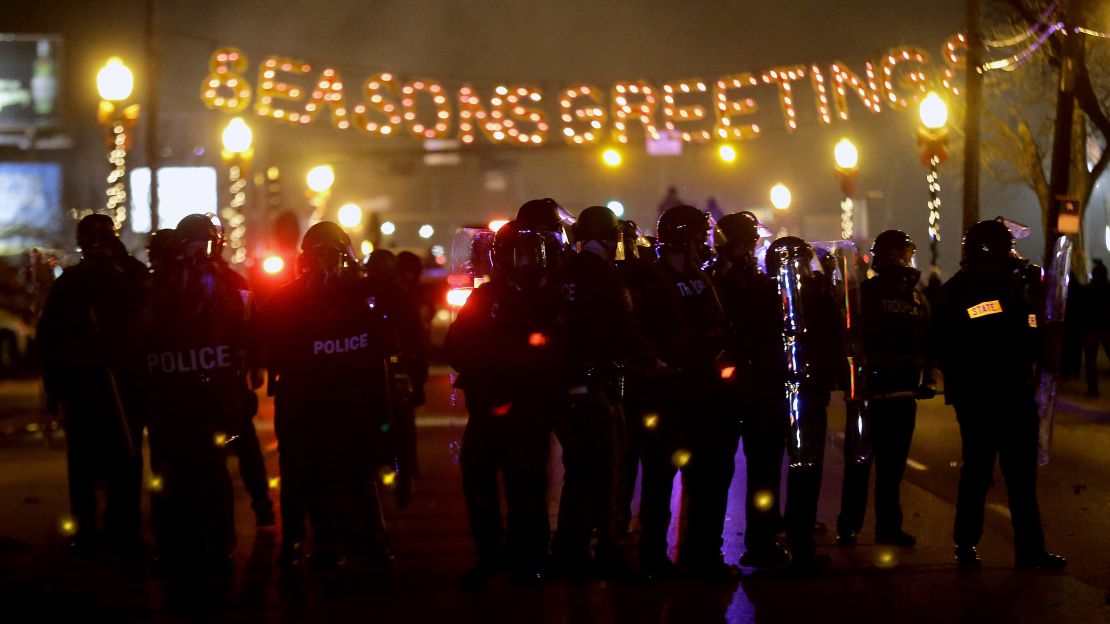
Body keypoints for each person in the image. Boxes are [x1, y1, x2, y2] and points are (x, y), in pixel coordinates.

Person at [263, 222, 398, 569]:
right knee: (299, 476)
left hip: (351, 403)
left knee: (358, 473)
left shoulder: (365, 295)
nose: (325, 265)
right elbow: (268, 351)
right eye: (318, 256)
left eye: (332, 256)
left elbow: (390, 341)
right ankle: (298, 541)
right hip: (304, 406)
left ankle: (371, 540)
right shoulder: (284, 299)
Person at [934, 219, 1066, 569]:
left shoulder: (1013, 290)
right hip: (979, 397)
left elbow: (1029, 335)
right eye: (1005, 251)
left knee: (1022, 476)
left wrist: (1039, 315)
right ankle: (965, 543)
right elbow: (950, 346)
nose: (1013, 258)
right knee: (978, 471)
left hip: (1016, 393)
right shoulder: (958, 292)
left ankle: (1030, 550)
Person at [446, 220, 565, 587]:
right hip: (487, 407)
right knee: (479, 480)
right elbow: (455, 346)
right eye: (520, 253)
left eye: (531, 253)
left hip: (528, 409)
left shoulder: (548, 297)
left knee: (526, 486)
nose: (526, 261)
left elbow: (554, 349)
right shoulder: (485, 297)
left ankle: (528, 556)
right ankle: (492, 554)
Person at [141, 214, 256, 570]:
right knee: (169, 473)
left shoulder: (230, 284)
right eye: (191, 245)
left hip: (210, 398)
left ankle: (217, 541)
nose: (199, 253)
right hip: (171, 397)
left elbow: (247, 333)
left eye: (204, 245)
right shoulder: (158, 286)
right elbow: (141, 333)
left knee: (210, 471)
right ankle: (174, 542)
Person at [549, 206, 653, 578]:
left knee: (577, 470)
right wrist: (651, 362)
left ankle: (568, 548)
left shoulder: (561, 273)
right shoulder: (605, 276)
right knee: (606, 470)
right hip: (595, 385)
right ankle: (607, 551)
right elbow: (623, 327)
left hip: (561, 385)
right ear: (610, 238)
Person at [38, 214, 148, 555]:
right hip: (86, 384)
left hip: (121, 381)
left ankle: (120, 526)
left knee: (122, 458)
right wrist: (56, 389)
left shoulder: (125, 276)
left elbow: (146, 315)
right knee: (92, 461)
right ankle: (94, 527)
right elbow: (51, 340)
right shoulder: (72, 283)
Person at [636, 204, 734, 579]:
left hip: (703, 392)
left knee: (706, 479)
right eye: (698, 236)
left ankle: (702, 555)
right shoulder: (652, 279)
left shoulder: (702, 276)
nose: (704, 244)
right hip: (667, 391)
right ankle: (653, 559)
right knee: (659, 481)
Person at [836, 230, 933, 548]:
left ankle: (879, 527)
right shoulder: (866, 294)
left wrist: (926, 377)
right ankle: (854, 526)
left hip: (900, 394)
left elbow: (928, 344)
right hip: (871, 394)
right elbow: (851, 340)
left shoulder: (916, 298)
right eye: (903, 253)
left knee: (886, 468)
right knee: (864, 464)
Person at [712, 212, 789, 568]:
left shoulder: (744, 278)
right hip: (740, 385)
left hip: (753, 383)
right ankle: (722, 547)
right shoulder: (718, 279)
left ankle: (757, 540)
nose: (751, 247)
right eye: (747, 241)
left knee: (760, 468)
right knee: (733, 468)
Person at [765, 236, 843, 574]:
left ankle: (770, 540)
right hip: (802, 393)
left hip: (787, 392)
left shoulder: (767, 293)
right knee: (803, 469)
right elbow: (831, 332)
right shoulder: (803, 298)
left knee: (778, 470)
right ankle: (798, 544)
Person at [1082, 260, 1110, 397]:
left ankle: (1093, 389)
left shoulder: (1088, 290)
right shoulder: (1108, 289)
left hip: (1091, 327)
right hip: (1106, 327)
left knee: (1091, 360)